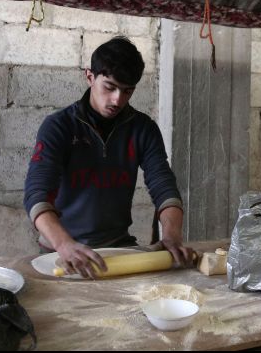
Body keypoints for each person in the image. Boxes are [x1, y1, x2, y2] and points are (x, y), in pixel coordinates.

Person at [24, 36, 194, 279]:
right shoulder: (59, 126)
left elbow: (163, 185)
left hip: (117, 248)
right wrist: (63, 243)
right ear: (90, 77)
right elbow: (37, 193)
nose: (118, 100)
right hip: (60, 251)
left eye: (127, 91)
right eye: (110, 87)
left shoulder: (142, 129)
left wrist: (172, 235)